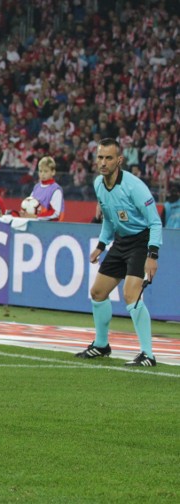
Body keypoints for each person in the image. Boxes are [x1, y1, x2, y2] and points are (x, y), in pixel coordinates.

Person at [75, 138, 162, 367]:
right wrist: (101, 245)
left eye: (109, 158)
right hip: (121, 242)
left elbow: (155, 222)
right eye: (100, 157)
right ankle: (102, 345)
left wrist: (153, 255)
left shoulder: (134, 187)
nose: (103, 162)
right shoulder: (98, 184)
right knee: (97, 292)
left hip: (141, 242)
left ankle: (148, 354)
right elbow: (109, 220)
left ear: (119, 160)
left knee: (130, 295)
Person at [22, 156, 64, 220]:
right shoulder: (36, 187)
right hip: (35, 223)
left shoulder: (56, 189)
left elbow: (55, 213)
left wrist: (36, 216)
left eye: (46, 171)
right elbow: (29, 204)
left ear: (53, 172)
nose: (42, 174)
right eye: (40, 171)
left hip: (50, 226)